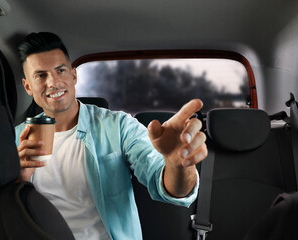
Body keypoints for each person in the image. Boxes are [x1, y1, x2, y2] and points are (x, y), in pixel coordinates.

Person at [15, 32, 207, 240]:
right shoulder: (16, 138)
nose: (53, 82)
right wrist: (19, 179)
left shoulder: (118, 126)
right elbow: (0, 210)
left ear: (73, 75)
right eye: (41, 75)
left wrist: (177, 164)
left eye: (60, 70)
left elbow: (171, 188)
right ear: (27, 86)